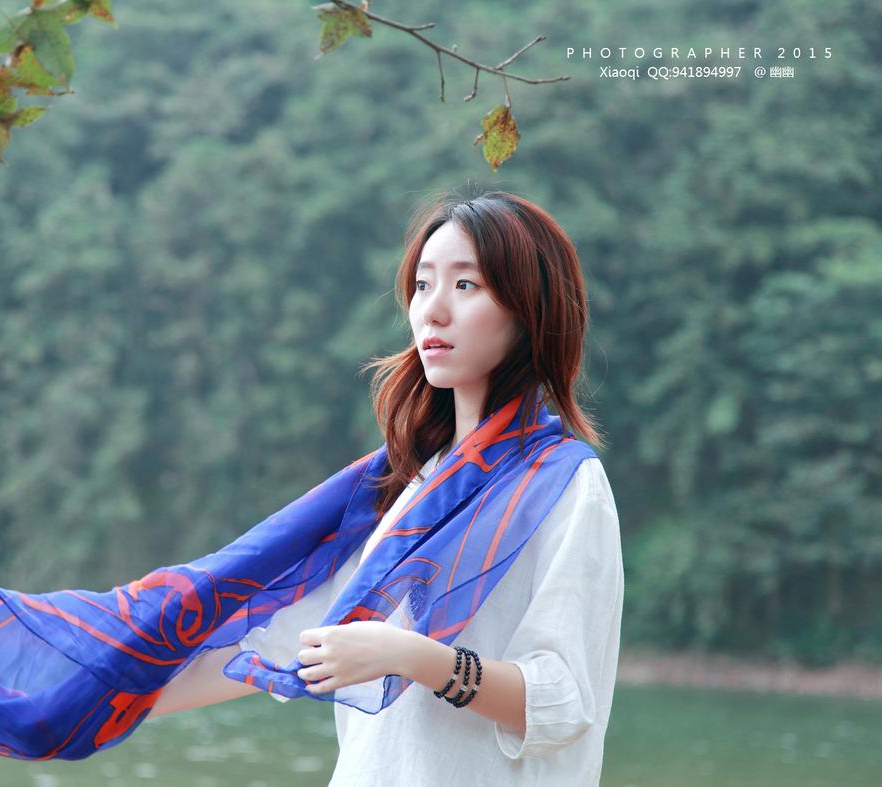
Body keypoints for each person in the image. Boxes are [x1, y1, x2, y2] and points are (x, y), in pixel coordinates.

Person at [148, 190, 624, 786]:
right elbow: (281, 639)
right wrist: (84, 706)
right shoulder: (411, 484)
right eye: (423, 285)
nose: (433, 311)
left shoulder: (567, 484)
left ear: (530, 309)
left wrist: (411, 656)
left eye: (466, 285)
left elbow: (561, 700)